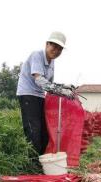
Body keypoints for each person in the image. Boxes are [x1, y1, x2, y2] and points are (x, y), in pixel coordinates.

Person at [16, 31, 73, 165]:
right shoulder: (37, 55)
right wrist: (61, 91)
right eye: (54, 46)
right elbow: (39, 80)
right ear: (47, 44)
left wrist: (64, 86)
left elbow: (50, 83)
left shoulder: (52, 62)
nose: (56, 50)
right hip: (28, 95)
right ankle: (31, 165)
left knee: (44, 133)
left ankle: (40, 163)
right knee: (33, 131)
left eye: (59, 49)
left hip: (40, 97)